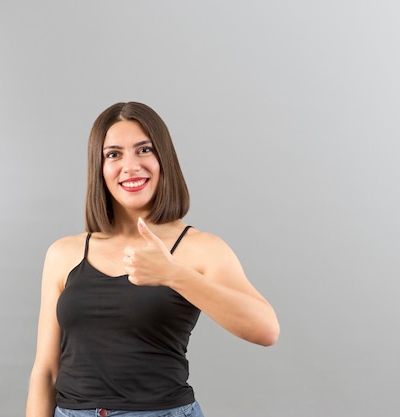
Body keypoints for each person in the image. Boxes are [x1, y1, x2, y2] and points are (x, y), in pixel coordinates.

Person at [26, 102, 280, 417]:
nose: (130, 166)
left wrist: (174, 274)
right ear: (99, 166)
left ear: (163, 159)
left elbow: (266, 329)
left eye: (144, 150)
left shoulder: (199, 248)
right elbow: (45, 370)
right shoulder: (64, 253)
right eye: (113, 154)